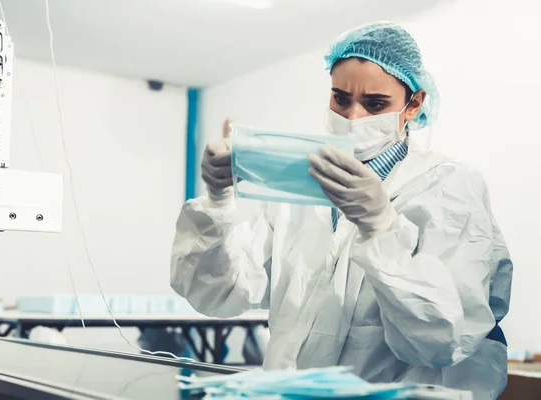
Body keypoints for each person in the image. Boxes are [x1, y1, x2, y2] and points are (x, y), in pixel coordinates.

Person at [170, 21, 512, 400]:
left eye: (375, 104)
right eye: (340, 98)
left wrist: (382, 228)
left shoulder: (448, 187)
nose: (353, 117)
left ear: (413, 104)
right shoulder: (297, 187)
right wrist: (217, 200)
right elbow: (218, 293)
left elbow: (443, 338)